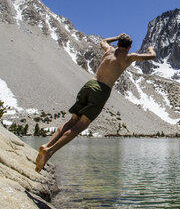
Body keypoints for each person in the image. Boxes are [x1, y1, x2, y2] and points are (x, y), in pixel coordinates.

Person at [35, 33, 156, 172]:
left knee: (72, 120)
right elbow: (152, 56)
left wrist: (116, 37)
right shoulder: (128, 57)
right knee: (81, 125)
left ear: (118, 44)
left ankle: (47, 144)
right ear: (128, 47)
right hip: (101, 90)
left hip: (89, 84)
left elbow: (103, 41)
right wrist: (151, 48)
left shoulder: (109, 51)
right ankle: (50, 151)